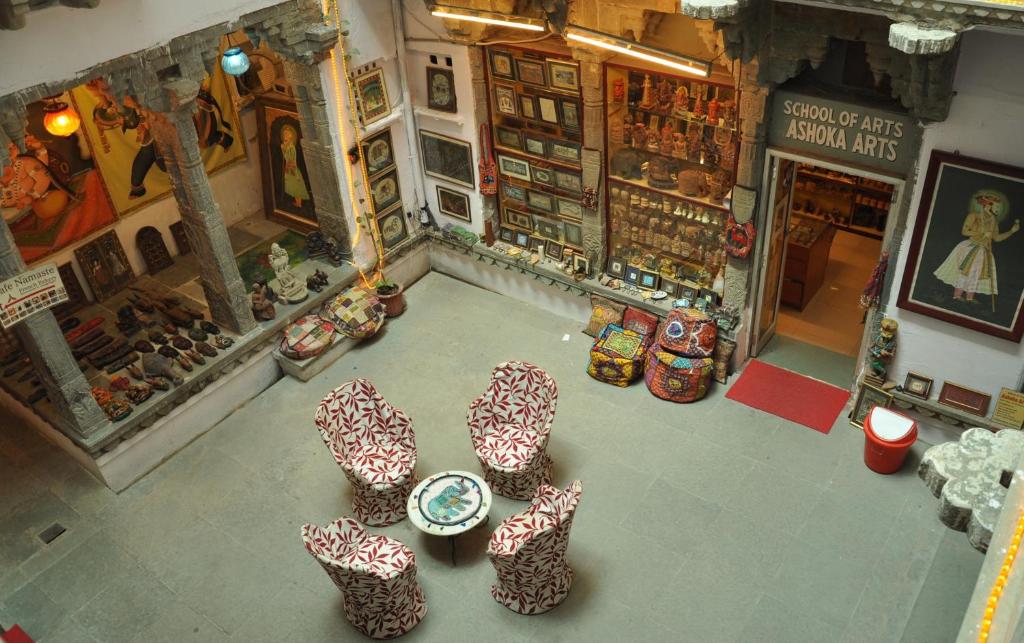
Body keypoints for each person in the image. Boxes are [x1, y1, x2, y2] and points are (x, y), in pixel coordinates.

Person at [934, 189, 1019, 306]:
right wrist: (981, 233)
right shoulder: (974, 216)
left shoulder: (994, 221)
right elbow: (964, 231)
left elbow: (997, 238)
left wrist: (1011, 231)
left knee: (976, 273)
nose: (998, 209)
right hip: (970, 247)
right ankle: (957, 295)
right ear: (987, 205)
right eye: (996, 206)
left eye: (999, 207)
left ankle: (969, 298)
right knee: (965, 271)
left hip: (983, 250)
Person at [279, 125, 309, 208]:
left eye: (287, 134)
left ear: (291, 136)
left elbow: (290, 159)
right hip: (289, 169)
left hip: (292, 169)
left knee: (296, 187)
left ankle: (299, 203)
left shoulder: (291, 147)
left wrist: (283, 149)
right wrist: (283, 148)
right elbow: (286, 158)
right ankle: (298, 203)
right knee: (293, 186)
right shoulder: (287, 146)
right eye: (284, 134)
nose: (285, 136)